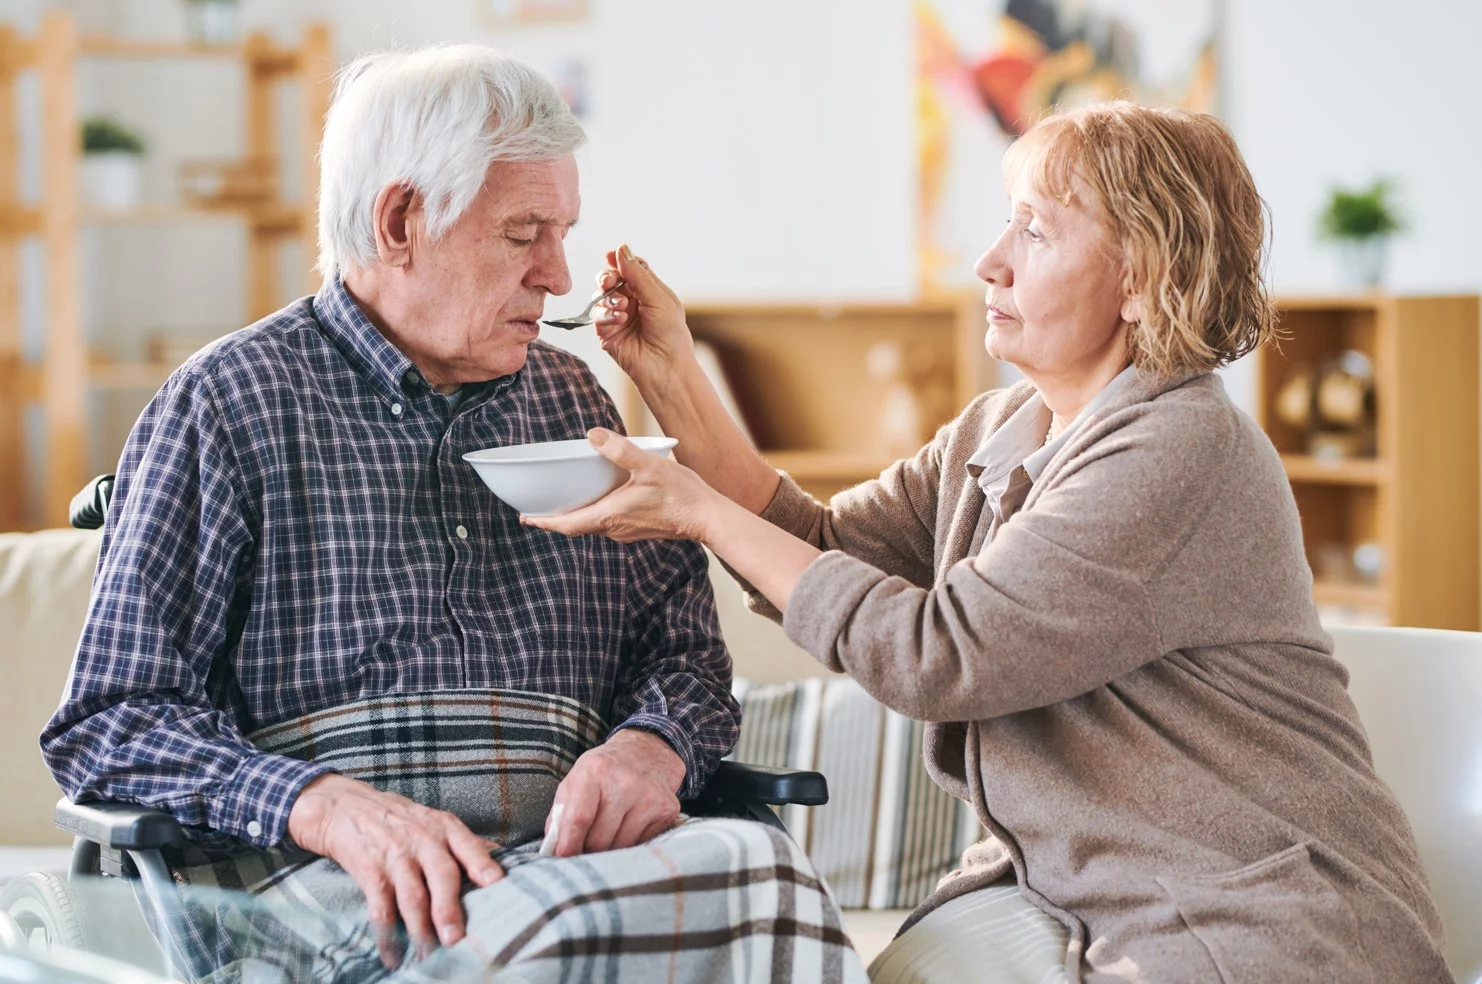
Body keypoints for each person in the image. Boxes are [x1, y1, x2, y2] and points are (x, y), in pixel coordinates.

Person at [527, 102, 1453, 982]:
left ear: (1142, 279)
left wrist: (696, 509)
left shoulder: (1184, 447)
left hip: (1247, 919)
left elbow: (942, 655)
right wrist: (675, 372)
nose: (988, 262)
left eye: (1035, 232)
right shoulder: (1000, 428)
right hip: (1088, 898)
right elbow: (820, 546)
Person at [42, 45, 864, 983]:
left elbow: (682, 657)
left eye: (565, 232)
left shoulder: (572, 403)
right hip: (317, 882)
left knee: (768, 871)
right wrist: (326, 805)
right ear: (401, 220)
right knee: (557, 937)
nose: (559, 276)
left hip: (559, 868)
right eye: (524, 233)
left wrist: (651, 747)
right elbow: (108, 724)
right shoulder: (226, 406)